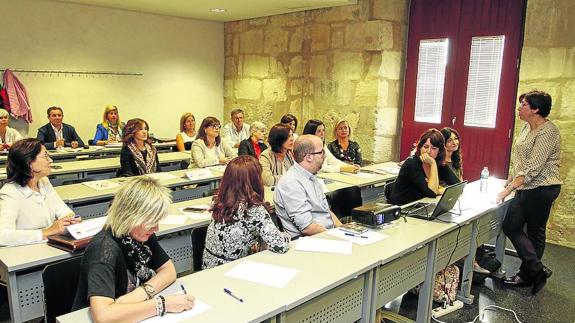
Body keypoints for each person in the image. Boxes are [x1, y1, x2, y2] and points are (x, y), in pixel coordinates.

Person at [72, 176, 196, 321]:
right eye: (151, 221)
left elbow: (169, 270)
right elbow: (103, 317)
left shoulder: (139, 234)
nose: (156, 228)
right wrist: (162, 304)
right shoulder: (103, 249)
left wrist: (141, 293)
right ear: (130, 216)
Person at [498, 90, 562, 295]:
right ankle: (537, 271)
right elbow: (520, 160)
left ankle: (526, 275)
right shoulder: (526, 127)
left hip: (543, 188)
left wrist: (508, 189)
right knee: (511, 225)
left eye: (523, 104)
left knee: (535, 231)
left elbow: (533, 167)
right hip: (525, 186)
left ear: (535, 109)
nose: (519, 108)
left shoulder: (548, 131)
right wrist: (509, 179)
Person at [202, 156, 290, 269]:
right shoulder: (253, 209)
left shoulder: (218, 201)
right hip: (235, 271)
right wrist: (286, 234)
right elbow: (280, 246)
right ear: (255, 180)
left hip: (209, 269)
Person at [0, 138, 80, 246]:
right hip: (26, 253)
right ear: (29, 163)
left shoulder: (43, 181)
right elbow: (3, 236)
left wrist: (70, 219)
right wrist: (47, 232)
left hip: (47, 247)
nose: (51, 160)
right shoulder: (10, 193)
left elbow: (61, 209)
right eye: (45, 156)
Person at [274, 135, 343, 238]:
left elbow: (326, 211)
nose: (324, 156)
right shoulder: (291, 183)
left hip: (326, 233)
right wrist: (338, 237)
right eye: (321, 152)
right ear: (309, 157)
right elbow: (307, 227)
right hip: (309, 239)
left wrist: (343, 229)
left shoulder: (311, 175)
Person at [389, 128, 460, 206]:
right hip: (403, 207)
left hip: (422, 205)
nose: (428, 151)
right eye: (426, 147)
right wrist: (432, 163)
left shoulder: (440, 164)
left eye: (434, 148)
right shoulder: (411, 163)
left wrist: (438, 190)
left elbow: (458, 186)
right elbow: (432, 193)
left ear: (439, 151)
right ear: (420, 147)